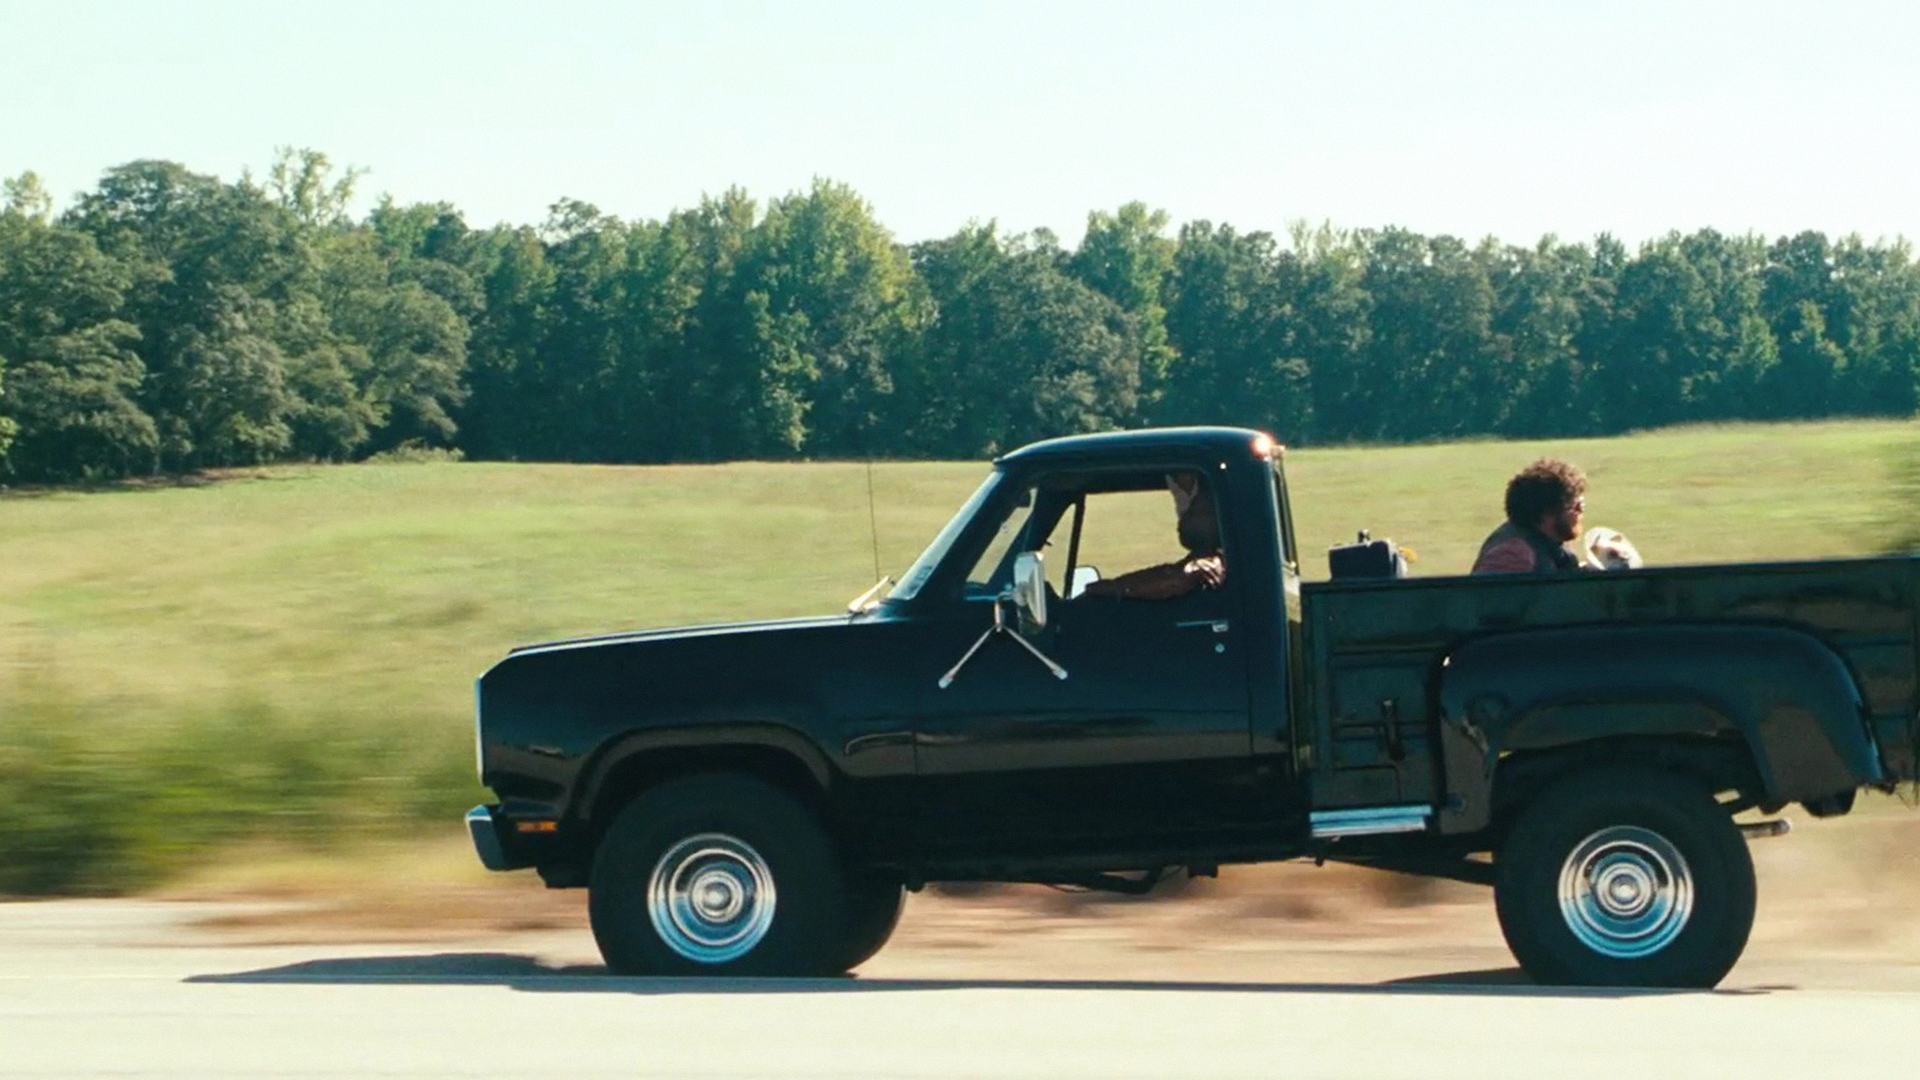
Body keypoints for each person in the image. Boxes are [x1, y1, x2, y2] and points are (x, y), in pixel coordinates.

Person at [1081, 473, 1226, 600]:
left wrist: (1116, 589)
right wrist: (1116, 586)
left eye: (1193, 511)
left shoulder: (1219, 562)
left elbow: (1174, 581)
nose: (1182, 521)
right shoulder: (1203, 556)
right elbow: (1168, 572)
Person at [1471, 458, 1589, 574]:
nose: (1580, 512)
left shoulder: (1548, 542)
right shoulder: (1513, 555)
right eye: (1576, 506)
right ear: (1548, 513)